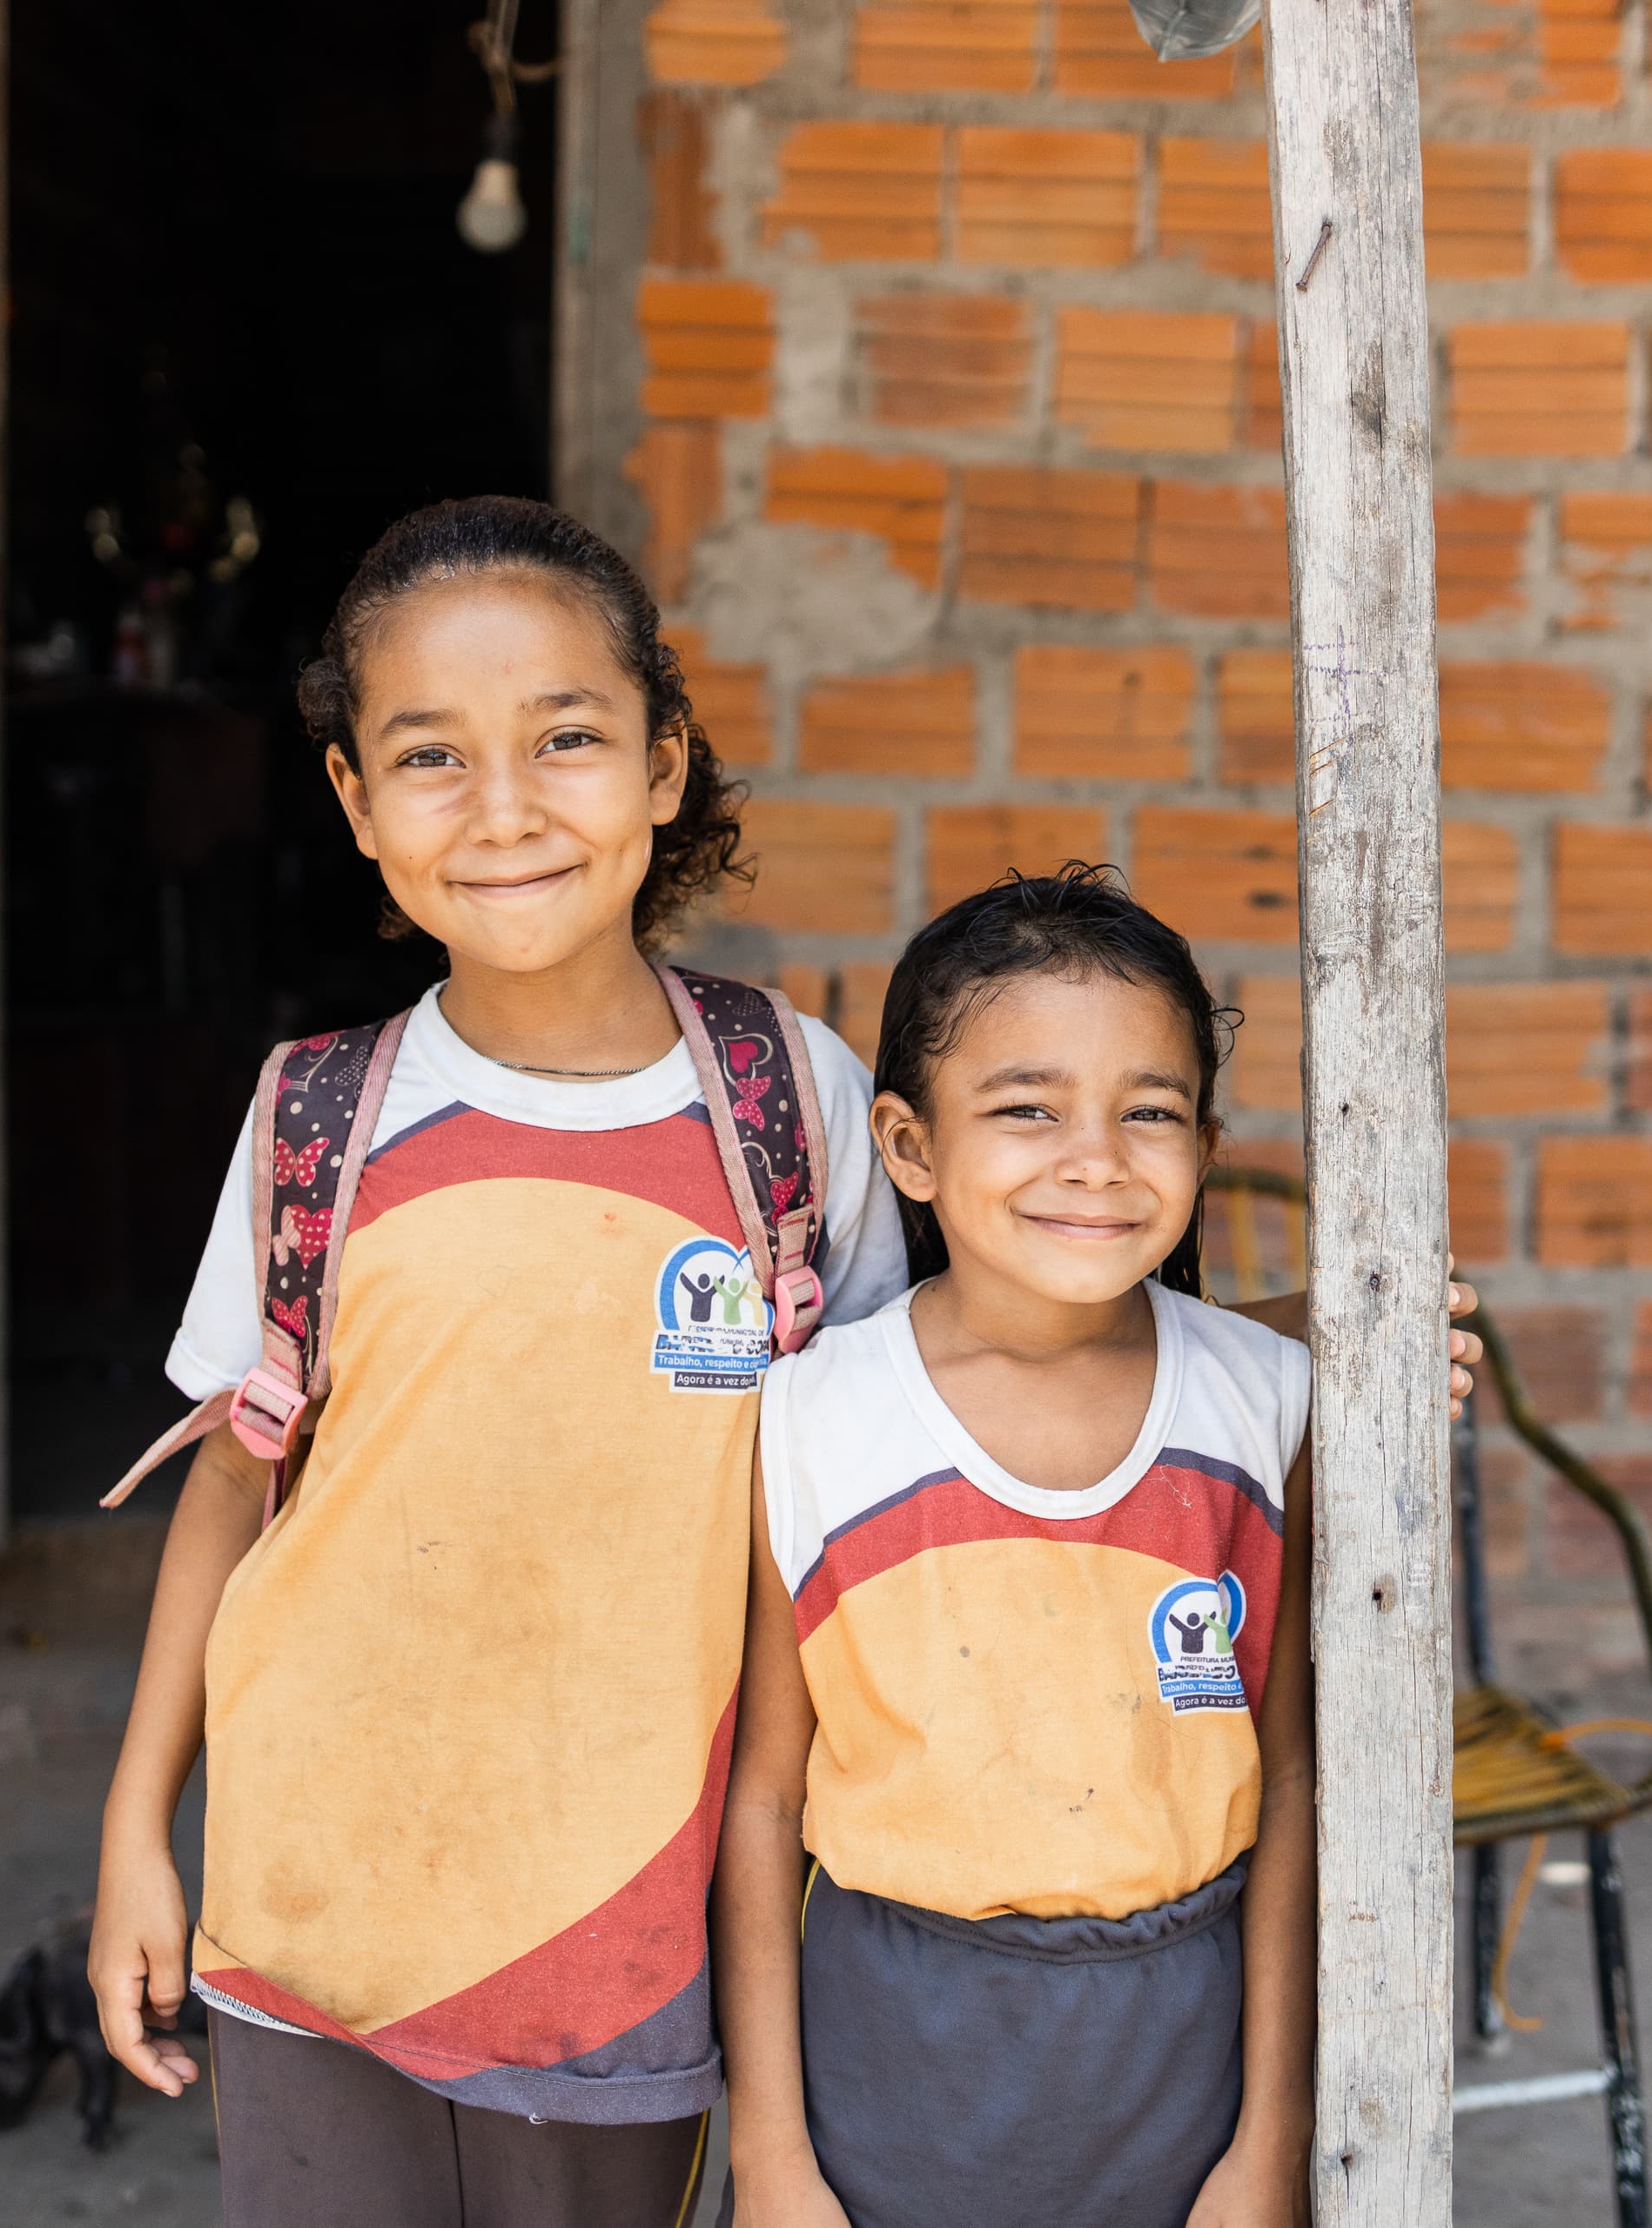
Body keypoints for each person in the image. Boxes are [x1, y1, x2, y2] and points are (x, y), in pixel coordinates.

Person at [85, 497, 917, 2228]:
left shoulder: (790, 1103)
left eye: (567, 737)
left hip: (624, 1918)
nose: (509, 806)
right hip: (309, 1900)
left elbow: (916, 1450)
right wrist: (132, 1836)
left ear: (666, 761)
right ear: (355, 804)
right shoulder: (318, 1114)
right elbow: (237, 1479)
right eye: (432, 755)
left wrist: (1314, 1360)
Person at [716, 868, 1317, 2228]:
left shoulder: (1260, 1405)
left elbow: (1288, 1780)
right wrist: (773, 2159)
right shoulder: (817, 1416)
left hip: (1182, 2045)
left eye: (1148, 1112)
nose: (1095, 1158)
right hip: (892, 2046)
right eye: (1027, 1109)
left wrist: (1266, 2142)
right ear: (911, 1148)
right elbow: (764, 1799)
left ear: (1207, 1141)